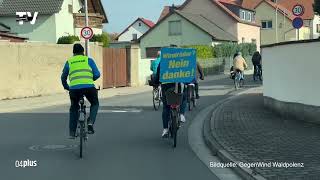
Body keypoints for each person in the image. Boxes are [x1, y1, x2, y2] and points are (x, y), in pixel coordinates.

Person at [61, 44, 101, 139]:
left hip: (74, 89)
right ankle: (90, 122)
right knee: (95, 103)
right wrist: (90, 80)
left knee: (74, 108)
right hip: (89, 88)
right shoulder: (88, 60)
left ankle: (72, 132)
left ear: (73, 53)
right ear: (83, 52)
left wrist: (66, 87)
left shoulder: (69, 62)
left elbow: (63, 77)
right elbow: (97, 74)